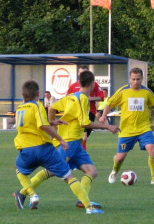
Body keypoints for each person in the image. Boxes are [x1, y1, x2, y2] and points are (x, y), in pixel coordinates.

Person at [19, 71, 119, 209]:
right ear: (92, 84)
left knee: (92, 172)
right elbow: (85, 123)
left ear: (79, 83)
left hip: (76, 143)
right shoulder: (82, 99)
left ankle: (83, 200)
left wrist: (52, 121)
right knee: (52, 170)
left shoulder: (71, 96)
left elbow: (52, 107)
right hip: (70, 141)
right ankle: (22, 192)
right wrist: (107, 126)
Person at [99, 67, 154, 185]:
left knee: (152, 149)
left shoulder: (147, 92)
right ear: (129, 79)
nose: (135, 81)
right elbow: (109, 104)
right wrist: (103, 116)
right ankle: (114, 171)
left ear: (142, 79)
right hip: (126, 130)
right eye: (133, 79)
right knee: (120, 158)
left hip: (144, 128)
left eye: (138, 79)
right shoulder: (123, 91)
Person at [66, 66, 104, 150]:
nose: (83, 75)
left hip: (90, 113)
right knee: (83, 136)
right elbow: (67, 99)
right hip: (78, 115)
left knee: (82, 138)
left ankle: (78, 155)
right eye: (81, 73)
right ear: (78, 74)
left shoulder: (94, 85)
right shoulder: (73, 86)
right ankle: (82, 156)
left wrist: (89, 98)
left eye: (85, 73)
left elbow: (101, 97)